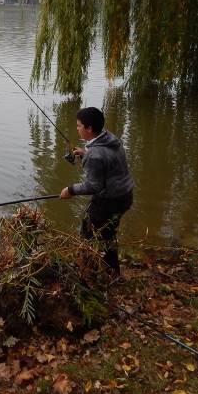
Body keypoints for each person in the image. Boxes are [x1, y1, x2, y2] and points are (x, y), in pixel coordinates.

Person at [60, 107, 134, 275]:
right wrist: (86, 154)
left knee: (90, 233)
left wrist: (70, 190)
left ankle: (96, 271)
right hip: (125, 195)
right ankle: (111, 271)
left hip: (109, 201)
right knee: (107, 233)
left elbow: (94, 186)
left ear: (89, 128)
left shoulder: (94, 155)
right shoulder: (110, 138)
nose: (77, 129)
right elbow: (106, 159)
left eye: (79, 126)